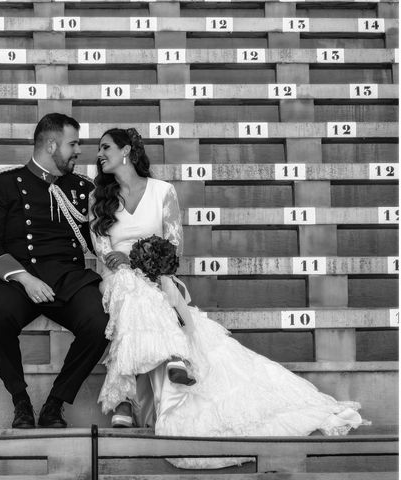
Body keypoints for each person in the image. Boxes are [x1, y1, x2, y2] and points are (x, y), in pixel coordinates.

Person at [89, 127, 368, 469]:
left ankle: (125, 403)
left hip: (156, 275)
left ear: (127, 150)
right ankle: (174, 356)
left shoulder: (163, 191)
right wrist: (124, 262)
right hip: (117, 280)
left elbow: (174, 247)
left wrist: (145, 262)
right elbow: (103, 248)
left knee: (149, 289)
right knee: (129, 288)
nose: (99, 154)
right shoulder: (98, 197)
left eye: (105, 147)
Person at [0, 113, 109, 429]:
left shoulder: (81, 188)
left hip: (67, 278)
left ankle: (55, 404)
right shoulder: (3, 184)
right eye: (72, 144)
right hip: (18, 278)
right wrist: (24, 278)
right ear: (51, 144)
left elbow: (99, 238)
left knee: (100, 322)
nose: (78, 151)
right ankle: (20, 401)